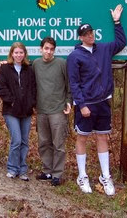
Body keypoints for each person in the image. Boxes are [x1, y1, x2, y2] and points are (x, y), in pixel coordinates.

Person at [66, 4, 126, 196]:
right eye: (86, 34)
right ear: (80, 37)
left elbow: (121, 42)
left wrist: (117, 22)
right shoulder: (75, 56)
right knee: (82, 138)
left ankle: (105, 176)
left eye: (91, 32)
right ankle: (82, 175)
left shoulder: (104, 49)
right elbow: (74, 83)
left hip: (103, 102)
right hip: (86, 104)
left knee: (102, 137)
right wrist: (81, 105)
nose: (90, 36)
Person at [32, 37, 72, 187]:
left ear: (54, 50)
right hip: (41, 109)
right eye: (46, 48)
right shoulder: (35, 64)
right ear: (41, 49)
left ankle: (57, 174)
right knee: (44, 142)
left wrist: (69, 101)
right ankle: (47, 170)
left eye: (51, 49)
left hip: (58, 110)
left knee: (58, 143)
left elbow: (69, 84)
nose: (48, 51)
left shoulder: (61, 63)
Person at [0, 42, 36, 181]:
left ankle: (22, 169)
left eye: (21, 52)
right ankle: (12, 168)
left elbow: (33, 89)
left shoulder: (29, 70)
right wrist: (11, 100)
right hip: (11, 110)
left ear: (24, 54)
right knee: (17, 140)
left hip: (26, 111)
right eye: (16, 52)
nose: (18, 55)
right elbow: (0, 87)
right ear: (12, 54)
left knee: (24, 141)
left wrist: (32, 102)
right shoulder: (5, 68)